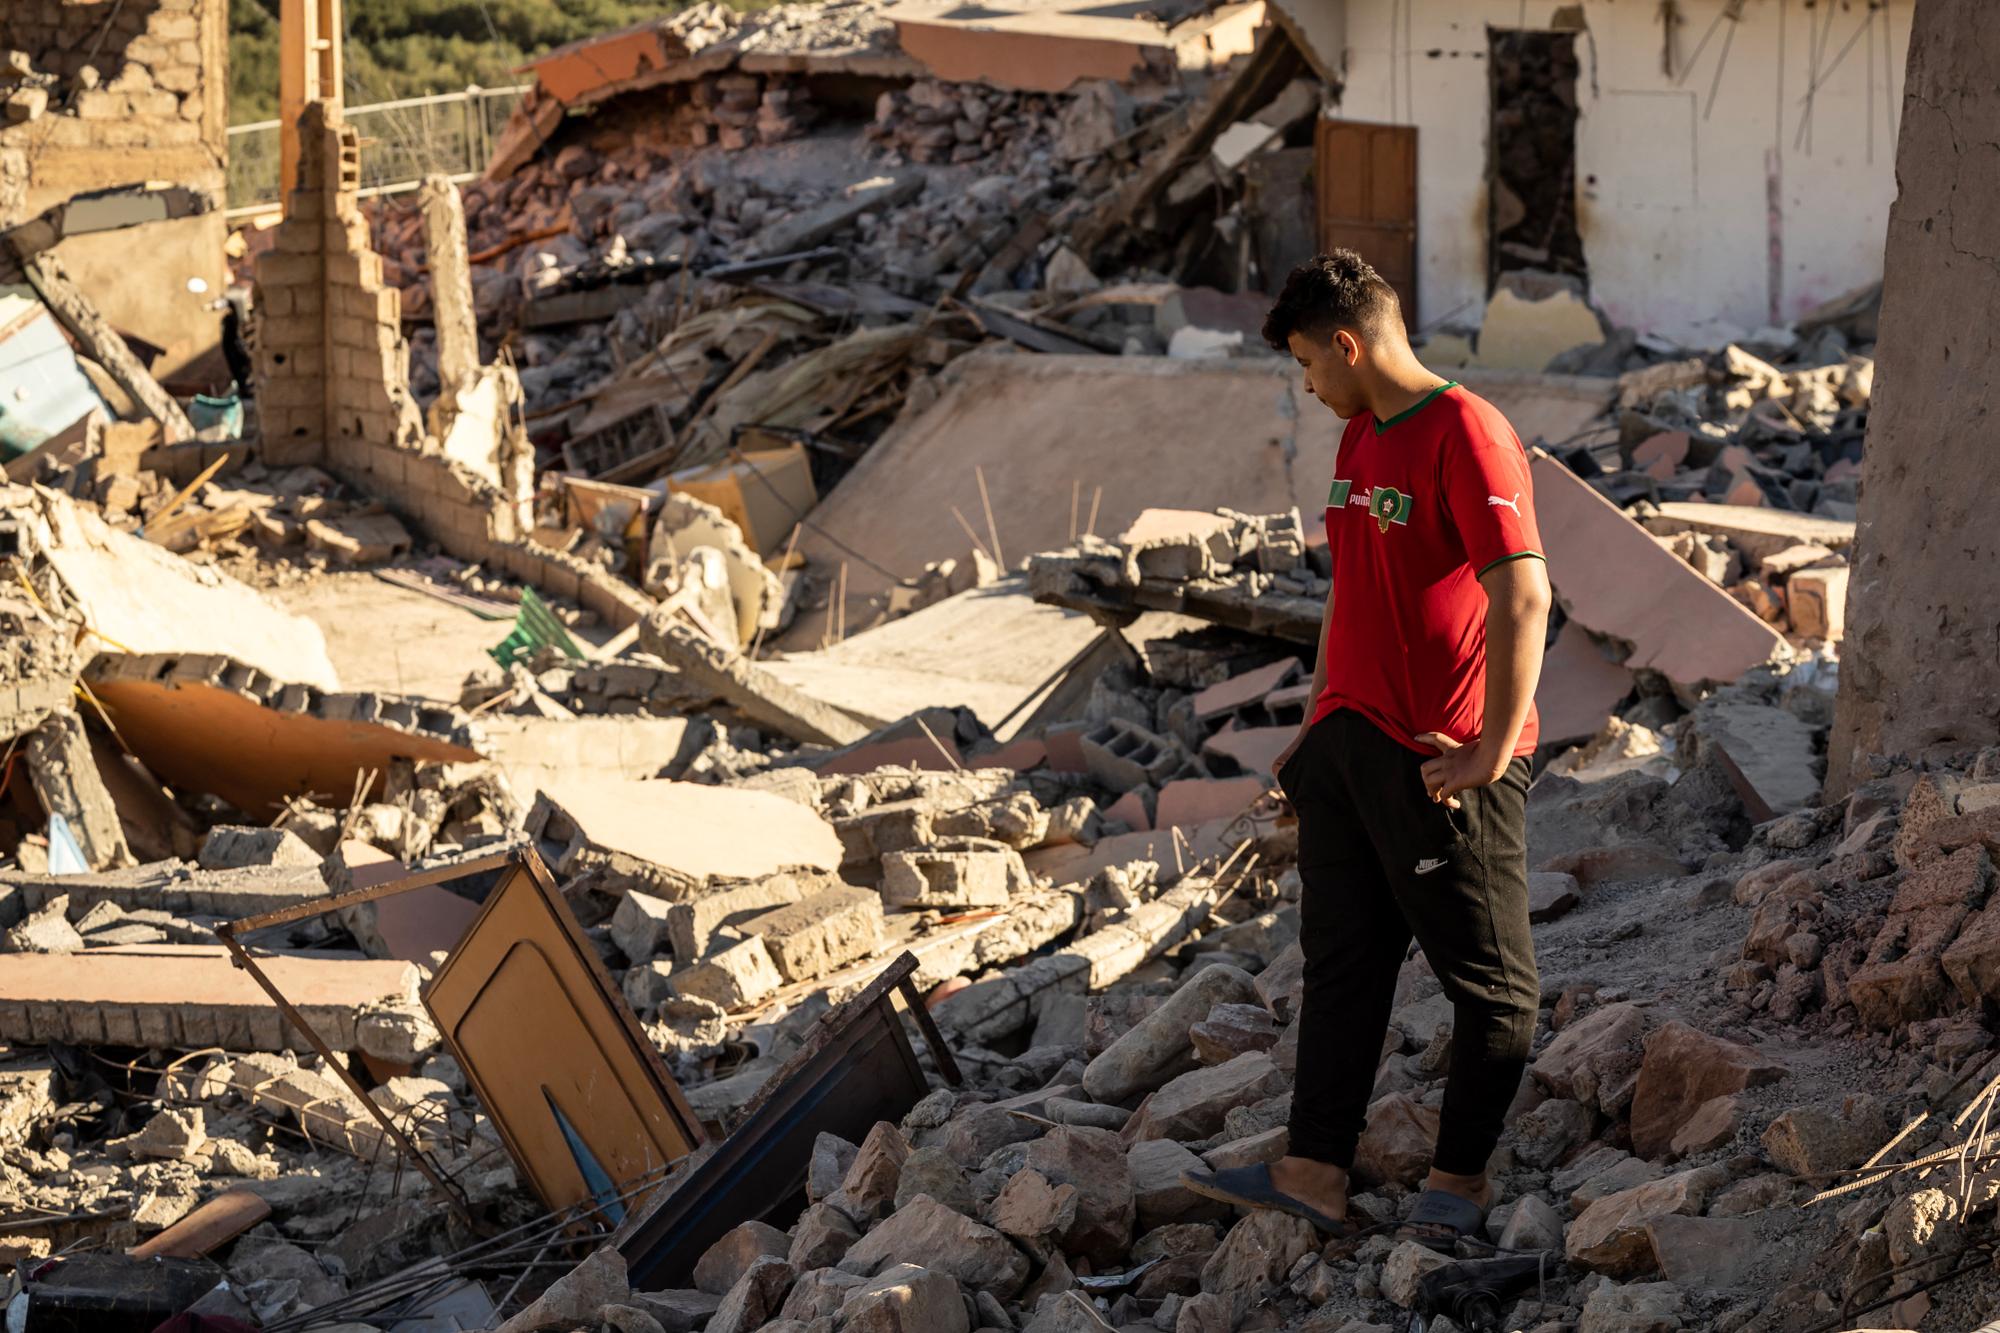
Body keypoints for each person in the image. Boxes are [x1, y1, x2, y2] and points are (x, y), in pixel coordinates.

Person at [1183, 250, 1552, 1253]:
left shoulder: (1466, 432)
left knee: (1490, 983)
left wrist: (1487, 747)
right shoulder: (1357, 438)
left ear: (1345, 343)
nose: (1305, 387)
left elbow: (1523, 593)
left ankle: (1458, 1177)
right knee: (1341, 965)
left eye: (1307, 364)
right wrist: (1313, 729)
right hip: (1347, 749)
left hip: (1434, 756)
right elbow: (1347, 587)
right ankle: (1311, 1168)